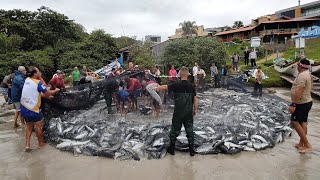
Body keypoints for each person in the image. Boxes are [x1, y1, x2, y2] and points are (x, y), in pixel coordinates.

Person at [154, 67, 197, 156]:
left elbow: (166, 87)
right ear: (188, 75)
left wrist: (156, 88)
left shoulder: (176, 84)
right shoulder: (192, 86)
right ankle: (192, 150)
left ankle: (172, 149)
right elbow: (195, 99)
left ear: (179, 75)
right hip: (188, 112)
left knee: (174, 129)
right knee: (189, 129)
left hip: (178, 112)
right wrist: (195, 110)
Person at [20, 66, 60, 151]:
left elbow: (35, 92)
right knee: (38, 126)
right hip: (33, 109)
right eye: (38, 71)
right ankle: (41, 144)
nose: (40, 73)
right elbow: (48, 92)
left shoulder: (27, 80)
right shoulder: (38, 83)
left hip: (24, 107)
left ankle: (27, 145)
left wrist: (47, 97)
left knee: (29, 126)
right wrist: (56, 90)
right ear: (35, 74)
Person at [288, 59, 313, 153]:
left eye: (298, 65)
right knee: (303, 123)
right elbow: (307, 86)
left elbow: (300, 91)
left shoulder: (302, 76)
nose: (297, 67)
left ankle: (307, 145)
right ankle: (301, 143)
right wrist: (294, 83)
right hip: (307, 101)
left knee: (295, 122)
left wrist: (293, 104)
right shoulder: (307, 73)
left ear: (301, 66)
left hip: (301, 103)